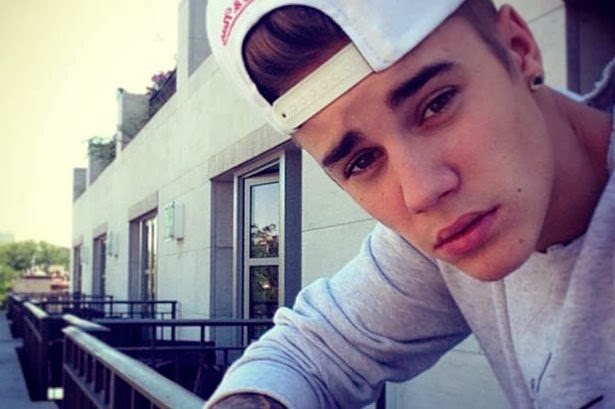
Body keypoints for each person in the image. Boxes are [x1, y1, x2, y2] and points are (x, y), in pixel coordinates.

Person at [204, 0, 615, 407]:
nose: (421, 193)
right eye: (362, 161)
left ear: (518, 49)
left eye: (436, 104)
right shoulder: (449, 238)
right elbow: (311, 354)